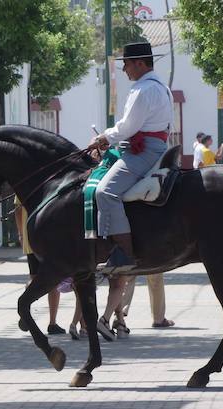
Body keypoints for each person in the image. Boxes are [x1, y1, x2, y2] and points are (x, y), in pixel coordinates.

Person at [90, 41, 172, 272]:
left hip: (143, 150)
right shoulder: (161, 87)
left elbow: (127, 127)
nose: (124, 69)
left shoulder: (142, 90)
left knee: (104, 192)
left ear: (139, 63)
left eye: (126, 64)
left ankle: (125, 254)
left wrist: (102, 138)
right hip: (151, 146)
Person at [14, 197, 63, 335]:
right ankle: (52, 323)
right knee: (53, 280)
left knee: (33, 278)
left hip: (30, 238)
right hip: (49, 240)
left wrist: (20, 233)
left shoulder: (22, 183)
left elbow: (18, 210)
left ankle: (25, 308)